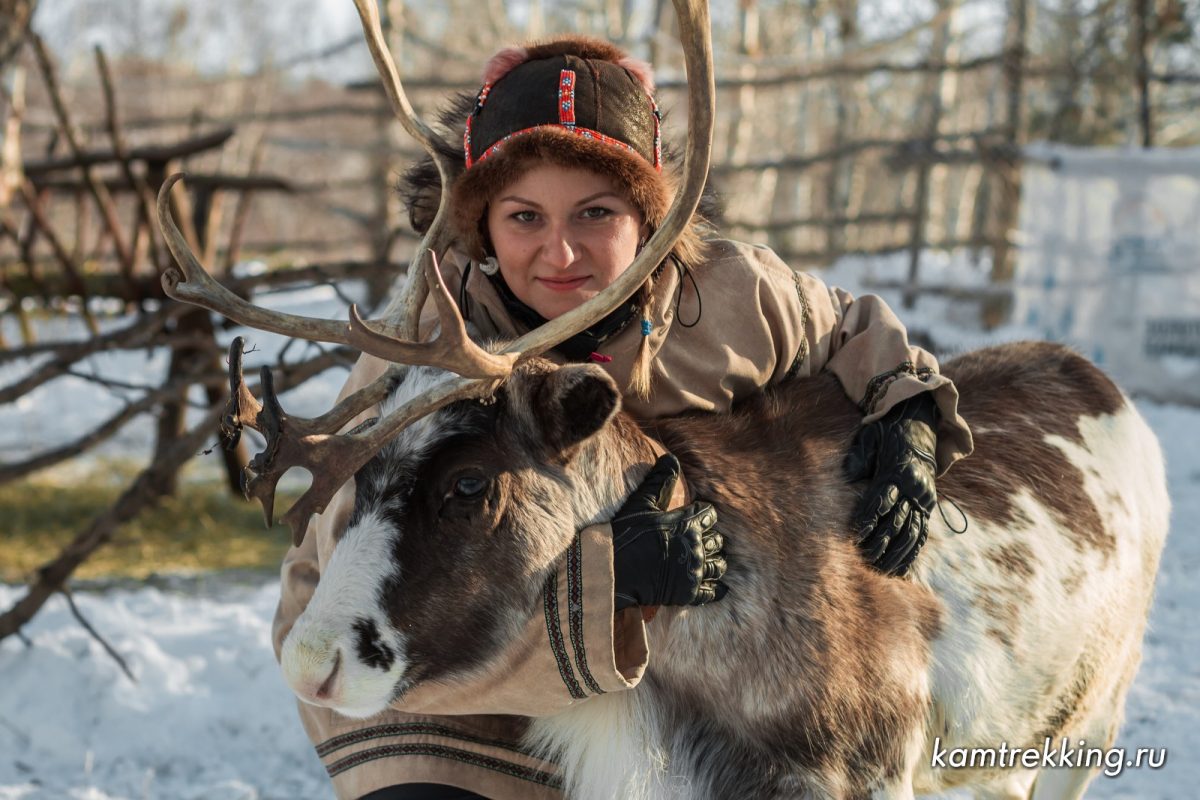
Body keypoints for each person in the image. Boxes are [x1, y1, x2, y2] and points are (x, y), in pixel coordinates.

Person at [272, 36, 973, 800]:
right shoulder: (422, 357)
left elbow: (851, 329)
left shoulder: (732, 295)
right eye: (524, 216)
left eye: (596, 213)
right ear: (480, 227)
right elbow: (319, 602)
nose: (560, 251)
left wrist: (908, 415)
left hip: (672, 689)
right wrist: (603, 592)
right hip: (479, 696)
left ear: (649, 218)